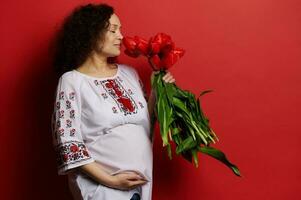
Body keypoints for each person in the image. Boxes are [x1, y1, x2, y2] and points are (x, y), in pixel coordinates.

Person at [51, 3, 175, 200]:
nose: (121, 36)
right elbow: (68, 143)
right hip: (101, 189)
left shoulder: (129, 74)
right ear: (91, 34)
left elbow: (144, 127)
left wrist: (157, 94)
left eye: (120, 29)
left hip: (141, 185)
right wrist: (112, 181)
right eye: (113, 30)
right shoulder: (72, 81)